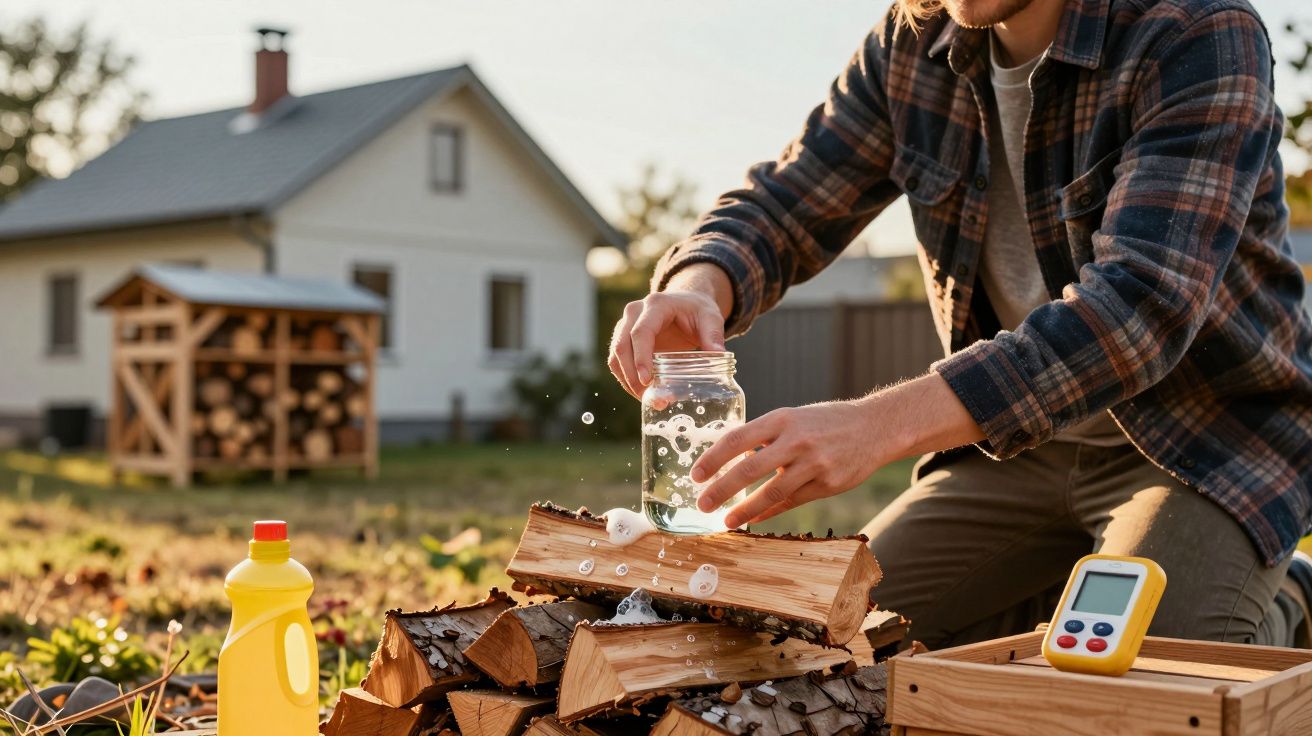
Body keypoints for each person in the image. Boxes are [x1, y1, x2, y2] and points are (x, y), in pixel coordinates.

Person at [608, 0, 1312, 647]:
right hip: (1014, 452)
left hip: (1201, 444)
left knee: (1133, 683)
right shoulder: (910, 45)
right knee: (831, 642)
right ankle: (1050, 606)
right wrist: (699, 286)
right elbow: (785, 201)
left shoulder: (1196, 30)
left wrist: (875, 426)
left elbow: (1139, 310)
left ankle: (1290, 607)